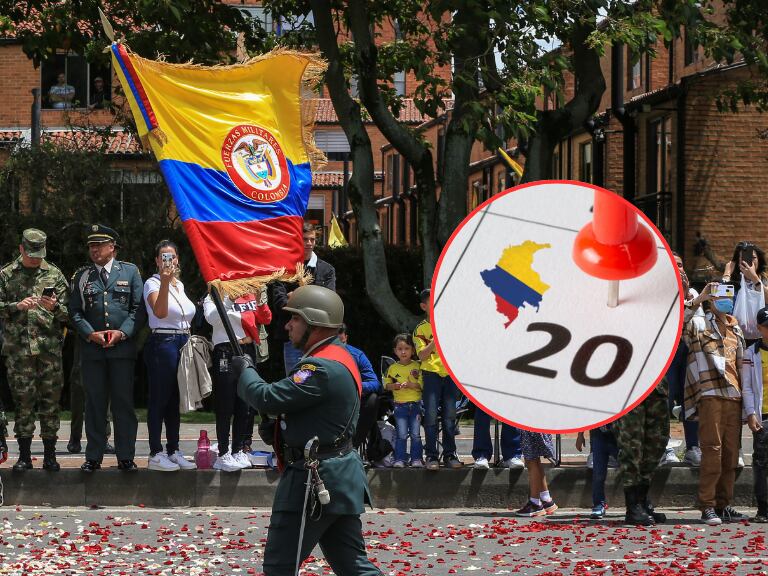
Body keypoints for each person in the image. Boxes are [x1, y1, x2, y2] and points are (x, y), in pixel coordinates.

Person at [233, 285, 381, 575]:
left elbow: (267, 397)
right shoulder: (341, 355)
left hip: (314, 480)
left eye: (295, 319)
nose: (287, 325)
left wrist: (246, 370)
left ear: (315, 323)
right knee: (354, 567)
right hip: (338, 476)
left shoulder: (319, 367)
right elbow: (323, 413)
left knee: (280, 567)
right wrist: (282, 429)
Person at [69, 224, 143, 472]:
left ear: (112, 247)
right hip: (93, 351)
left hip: (121, 350)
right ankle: (93, 456)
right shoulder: (82, 276)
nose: (94, 250)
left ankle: (125, 456)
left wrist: (122, 333)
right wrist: (91, 333)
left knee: (123, 403)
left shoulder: (130, 272)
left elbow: (138, 309)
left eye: (99, 245)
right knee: (95, 404)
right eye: (91, 246)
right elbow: (75, 312)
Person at [0, 229, 69, 471]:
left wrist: (55, 307)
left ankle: (50, 455)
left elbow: (69, 314)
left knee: (50, 403)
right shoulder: (7, 275)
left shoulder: (54, 275)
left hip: (48, 351)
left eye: (39, 255)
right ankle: (25, 456)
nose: (35, 260)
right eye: (31, 255)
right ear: (21, 249)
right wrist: (15, 306)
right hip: (19, 353)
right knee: (23, 403)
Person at [683, 281, 748, 525]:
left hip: (734, 394)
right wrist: (699, 298)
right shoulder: (699, 323)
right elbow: (680, 324)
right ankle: (707, 505)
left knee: (731, 454)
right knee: (712, 449)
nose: (726, 299)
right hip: (710, 392)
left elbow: (740, 364)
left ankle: (724, 503)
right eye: (720, 294)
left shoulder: (736, 328)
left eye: (728, 294)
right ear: (711, 298)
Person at [143, 240, 197, 471]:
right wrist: (164, 282)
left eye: (172, 256)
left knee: (175, 399)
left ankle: (173, 449)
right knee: (160, 398)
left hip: (182, 341)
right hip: (163, 341)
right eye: (164, 256)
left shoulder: (180, 285)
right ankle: (156, 452)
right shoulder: (152, 283)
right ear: (157, 261)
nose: (169, 261)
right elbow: (161, 312)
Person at [204, 287, 271, 472]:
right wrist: (229, 300)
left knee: (245, 404)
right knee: (225, 403)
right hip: (225, 351)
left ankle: (238, 450)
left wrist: (260, 300)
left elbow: (265, 319)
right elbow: (211, 318)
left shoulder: (248, 294)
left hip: (247, 350)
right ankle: (223, 452)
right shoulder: (213, 296)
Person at [269, 222, 336, 378]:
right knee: (294, 383)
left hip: (320, 337)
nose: (309, 243)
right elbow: (280, 303)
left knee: (319, 382)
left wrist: (296, 295)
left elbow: (329, 302)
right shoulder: (284, 269)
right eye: (305, 239)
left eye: (312, 239)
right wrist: (313, 298)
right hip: (293, 339)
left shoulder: (326, 270)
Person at [67, 265, 114, 455]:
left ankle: (103, 438)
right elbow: (74, 308)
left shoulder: (119, 274)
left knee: (106, 389)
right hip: (85, 338)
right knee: (78, 389)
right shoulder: (82, 275)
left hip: (108, 338)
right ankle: (75, 438)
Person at [413, 289, 462, 470]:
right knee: (431, 417)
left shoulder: (452, 325)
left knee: (450, 417)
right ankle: (432, 456)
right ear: (424, 307)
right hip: (431, 375)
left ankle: (450, 455)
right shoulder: (421, 329)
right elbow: (422, 355)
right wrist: (436, 339)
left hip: (449, 375)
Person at [662, 252, 702, 467]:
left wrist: (687, 295)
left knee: (690, 400)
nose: (679, 268)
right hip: (665, 354)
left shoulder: (694, 293)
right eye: (674, 265)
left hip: (687, 352)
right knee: (665, 402)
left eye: (681, 264)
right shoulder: (659, 291)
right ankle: (665, 447)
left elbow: (696, 325)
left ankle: (693, 447)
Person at [614, 377, 669, 526]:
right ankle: (632, 507)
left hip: (656, 386)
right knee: (631, 447)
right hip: (630, 386)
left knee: (656, 444)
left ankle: (642, 501)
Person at [740, 306, 768, 523]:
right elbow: (747, 387)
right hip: (763, 416)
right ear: (759, 328)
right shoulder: (751, 353)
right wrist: (751, 413)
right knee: (761, 463)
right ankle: (763, 508)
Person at [337, 324, 383, 452]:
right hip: (330, 400)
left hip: (354, 399)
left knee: (373, 400)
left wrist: (355, 385)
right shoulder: (320, 355)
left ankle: (352, 446)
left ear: (346, 337)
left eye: (341, 337)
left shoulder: (357, 355)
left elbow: (375, 382)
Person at [383, 334, 423, 468]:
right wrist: (394, 386)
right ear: (395, 351)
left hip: (416, 405)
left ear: (413, 350)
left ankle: (416, 458)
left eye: (407, 348)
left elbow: (422, 385)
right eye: (400, 349)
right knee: (401, 434)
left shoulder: (418, 366)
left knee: (416, 434)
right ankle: (400, 459)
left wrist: (412, 385)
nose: (403, 352)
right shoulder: (392, 368)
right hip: (399, 406)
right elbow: (386, 385)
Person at [577, 424, 618, 519]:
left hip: (618, 434)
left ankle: (637, 503)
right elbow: (587, 414)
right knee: (598, 473)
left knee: (629, 470)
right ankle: (599, 504)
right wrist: (580, 435)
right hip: (598, 434)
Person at [513, 430, 558, 516]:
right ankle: (546, 499)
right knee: (535, 459)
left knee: (531, 460)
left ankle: (535, 503)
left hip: (530, 423)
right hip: (536, 423)